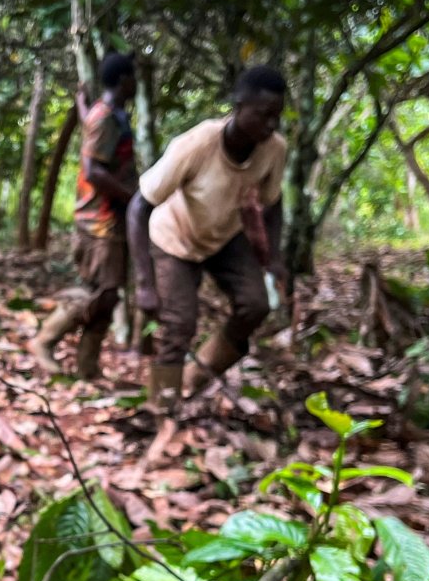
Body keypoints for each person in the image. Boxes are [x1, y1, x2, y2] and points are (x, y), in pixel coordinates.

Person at [127, 65, 289, 413]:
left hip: (224, 237)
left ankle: (195, 376)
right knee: (179, 324)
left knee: (256, 305)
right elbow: (138, 207)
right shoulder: (197, 144)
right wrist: (144, 282)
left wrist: (274, 257)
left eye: (277, 116)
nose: (271, 125)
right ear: (239, 105)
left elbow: (273, 204)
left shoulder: (274, 149)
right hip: (175, 238)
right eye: (263, 115)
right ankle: (163, 409)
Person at [29, 52, 138, 380]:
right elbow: (92, 171)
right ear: (123, 80)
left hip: (111, 220)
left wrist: (81, 104)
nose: (137, 83)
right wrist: (133, 198)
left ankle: (87, 367)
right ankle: (44, 341)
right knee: (98, 292)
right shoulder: (105, 118)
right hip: (99, 221)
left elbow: (90, 128)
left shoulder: (109, 115)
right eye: (133, 77)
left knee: (108, 295)